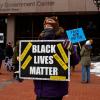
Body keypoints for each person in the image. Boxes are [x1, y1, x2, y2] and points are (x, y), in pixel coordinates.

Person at [34, 16, 76, 100]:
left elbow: (75, 61)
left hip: (55, 91)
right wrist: (22, 68)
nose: (47, 27)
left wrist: (72, 51)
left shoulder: (63, 41)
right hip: (40, 90)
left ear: (55, 26)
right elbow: (33, 61)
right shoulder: (39, 41)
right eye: (46, 25)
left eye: (50, 25)